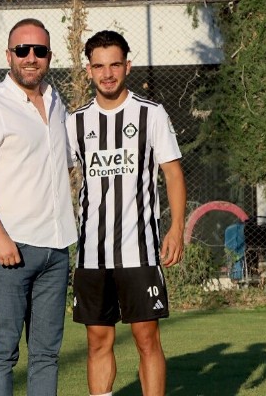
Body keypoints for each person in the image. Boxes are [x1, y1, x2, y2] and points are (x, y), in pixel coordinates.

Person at [0, 18, 78, 396]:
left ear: (49, 57)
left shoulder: (57, 103)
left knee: (46, 355)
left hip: (56, 248)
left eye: (39, 51)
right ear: (9, 55)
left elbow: (66, 165)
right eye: (22, 50)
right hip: (10, 249)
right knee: (3, 352)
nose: (30, 57)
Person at [66, 30, 187, 396]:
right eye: (99, 66)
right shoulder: (75, 123)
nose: (107, 74)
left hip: (140, 250)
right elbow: (57, 178)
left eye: (115, 65)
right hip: (91, 254)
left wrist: (176, 228)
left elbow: (173, 173)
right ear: (89, 70)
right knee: (97, 341)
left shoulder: (151, 114)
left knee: (146, 338)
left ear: (127, 66)